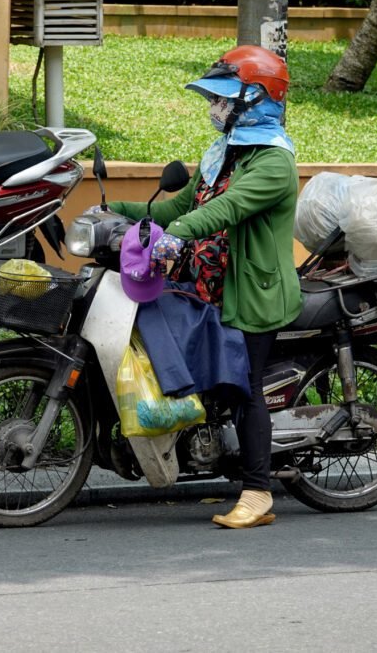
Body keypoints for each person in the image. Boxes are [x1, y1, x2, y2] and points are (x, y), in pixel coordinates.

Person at [105, 45, 303, 528]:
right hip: (209, 282)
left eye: (221, 100)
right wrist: (116, 212)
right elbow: (180, 207)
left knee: (246, 389)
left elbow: (226, 209)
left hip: (253, 292)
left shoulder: (274, 163)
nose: (213, 108)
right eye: (213, 100)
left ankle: (258, 493)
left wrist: (175, 235)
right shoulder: (224, 155)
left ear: (255, 100)